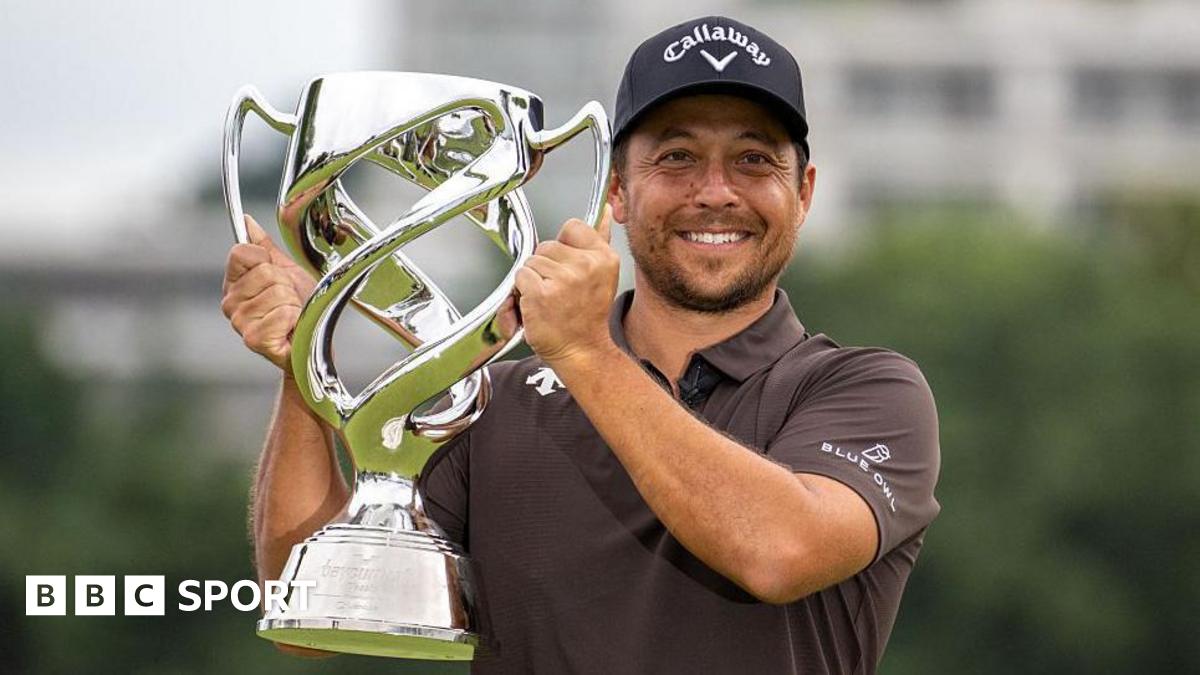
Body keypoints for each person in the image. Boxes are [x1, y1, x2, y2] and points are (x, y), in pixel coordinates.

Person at [221, 15, 940, 675]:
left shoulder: (865, 389)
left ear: (804, 191)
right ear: (619, 192)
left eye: (754, 160)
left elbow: (779, 551)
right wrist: (304, 367)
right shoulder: (492, 405)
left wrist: (588, 355)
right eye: (678, 158)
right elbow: (307, 615)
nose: (716, 191)